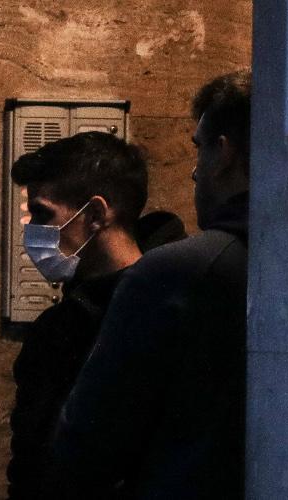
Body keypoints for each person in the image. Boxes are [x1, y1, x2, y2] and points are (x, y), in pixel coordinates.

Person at [53, 70, 251, 498]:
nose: (194, 173)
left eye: (198, 149)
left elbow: (86, 447)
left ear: (224, 153)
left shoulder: (173, 275)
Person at [7, 131, 149, 499]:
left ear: (96, 215)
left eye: (42, 213)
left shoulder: (159, 317)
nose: (31, 231)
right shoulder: (58, 326)